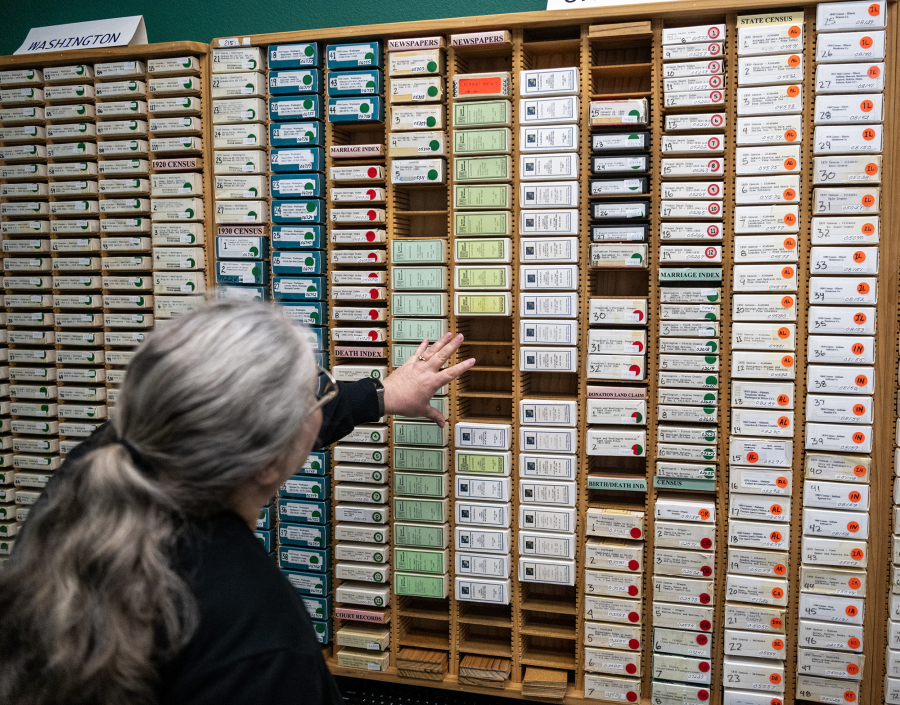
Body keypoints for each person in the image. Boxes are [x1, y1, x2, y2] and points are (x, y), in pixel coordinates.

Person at [0, 301, 475, 705]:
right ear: (269, 461)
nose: (322, 399)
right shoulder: (260, 634)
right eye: (317, 390)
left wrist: (379, 395)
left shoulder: (88, 477)